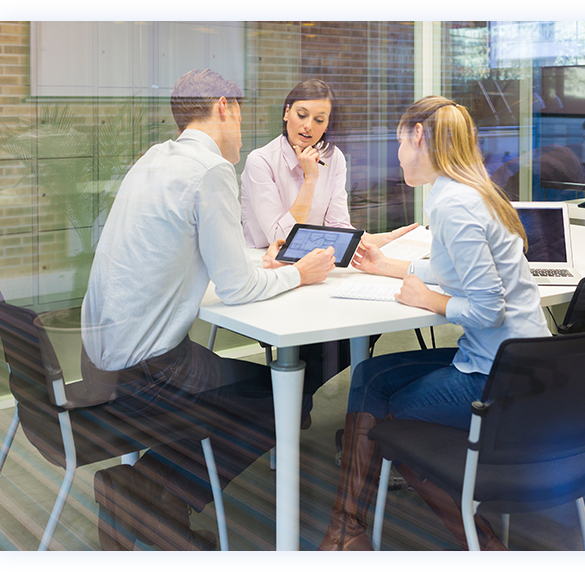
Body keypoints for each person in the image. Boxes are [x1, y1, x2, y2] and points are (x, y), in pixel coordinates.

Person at [81, 69, 335, 551]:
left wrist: (257, 264)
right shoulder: (211, 170)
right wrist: (300, 274)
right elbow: (237, 290)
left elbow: (186, 251)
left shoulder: (156, 158)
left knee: (250, 393)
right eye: (240, 114)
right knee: (282, 399)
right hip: (147, 371)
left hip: (99, 359)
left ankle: (147, 491)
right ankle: (157, 494)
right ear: (225, 106)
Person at [318, 96, 552, 551]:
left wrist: (432, 301)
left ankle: (481, 546)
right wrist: (390, 267)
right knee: (370, 375)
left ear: (419, 137)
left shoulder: (454, 205)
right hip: (520, 361)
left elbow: (488, 309)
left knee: (387, 420)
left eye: (399, 142)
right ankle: (345, 532)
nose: (398, 154)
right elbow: (456, 269)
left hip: (499, 377)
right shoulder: (471, 191)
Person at [241, 78, 417, 401]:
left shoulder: (334, 158)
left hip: (315, 269)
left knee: (370, 318)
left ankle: (297, 398)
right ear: (286, 113)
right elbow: (281, 239)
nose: (308, 126)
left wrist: (376, 239)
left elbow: (337, 226)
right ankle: (288, 402)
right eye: (302, 114)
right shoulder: (260, 161)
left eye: (319, 120)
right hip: (270, 272)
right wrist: (309, 179)